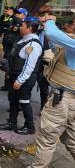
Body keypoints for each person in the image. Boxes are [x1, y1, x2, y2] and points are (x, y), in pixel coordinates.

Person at [30, 15, 75, 167]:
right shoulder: (71, 43)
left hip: (63, 101)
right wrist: (46, 26)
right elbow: (57, 46)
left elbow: (53, 35)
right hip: (69, 101)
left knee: (46, 139)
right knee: (70, 139)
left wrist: (50, 21)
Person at [0, 17, 43, 135]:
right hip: (15, 75)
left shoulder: (33, 45)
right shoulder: (22, 40)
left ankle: (29, 126)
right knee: (13, 99)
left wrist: (20, 80)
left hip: (24, 79)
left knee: (24, 100)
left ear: (30, 28)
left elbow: (29, 66)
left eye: (23, 25)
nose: (20, 27)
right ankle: (12, 122)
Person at [0, 7, 27, 91]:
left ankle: (14, 86)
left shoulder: (24, 23)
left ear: (24, 15)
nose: (16, 14)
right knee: (6, 66)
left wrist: (12, 15)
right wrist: (4, 15)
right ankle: (6, 85)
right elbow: (1, 23)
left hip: (15, 49)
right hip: (7, 47)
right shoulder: (12, 20)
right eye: (16, 13)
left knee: (13, 67)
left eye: (18, 13)